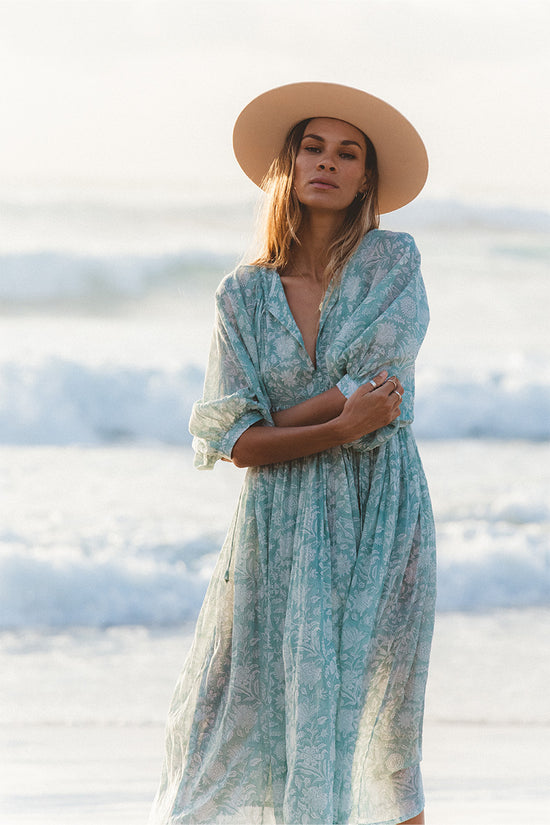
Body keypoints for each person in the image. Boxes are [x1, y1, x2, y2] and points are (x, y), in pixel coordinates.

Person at [149, 82, 436, 825]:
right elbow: (235, 442)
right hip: (274, 525)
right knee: (227, 712)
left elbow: (378, 391)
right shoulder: (240, 296)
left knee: (382, 725)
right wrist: (334, 424)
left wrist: (272, 422)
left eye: (348, 154)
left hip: (380, 512)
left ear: (366, 177)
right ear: (290, 161)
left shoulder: (393, 262)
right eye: (314, 147)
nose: (328, 164)